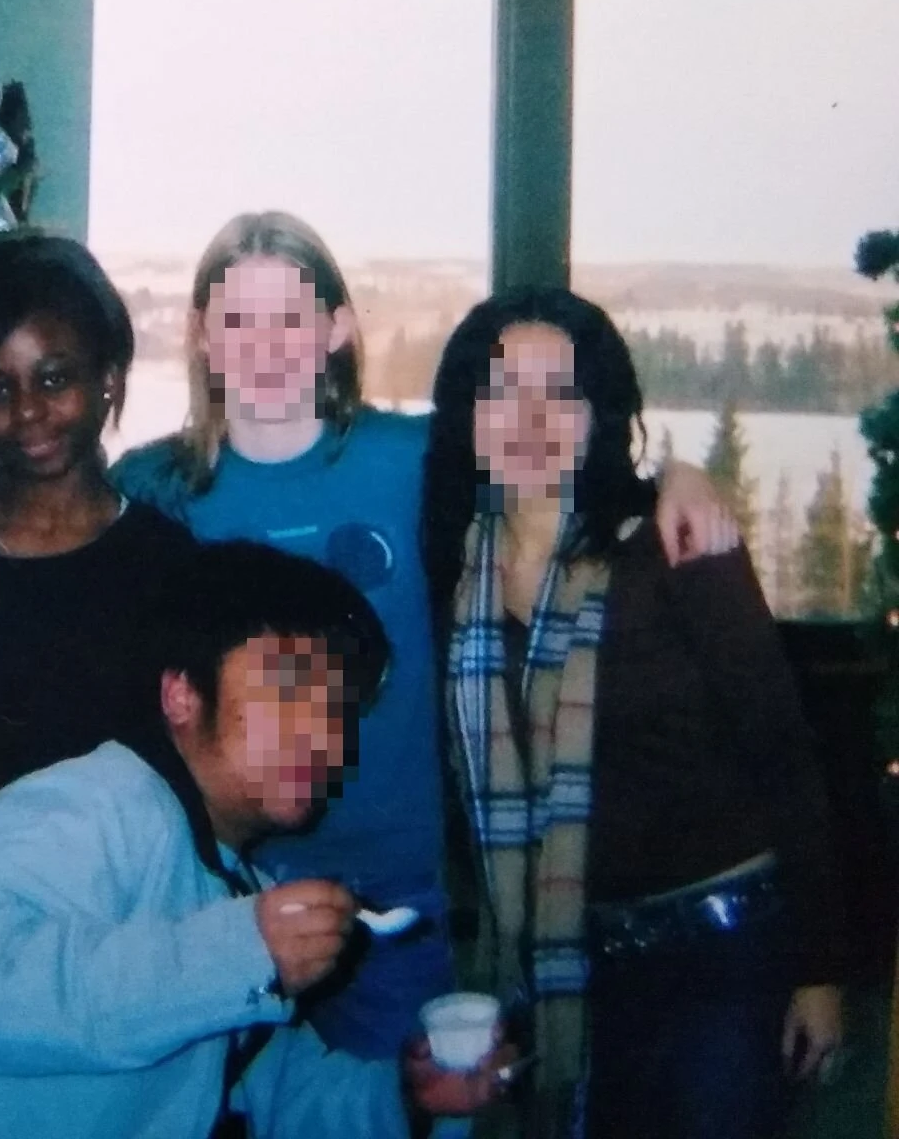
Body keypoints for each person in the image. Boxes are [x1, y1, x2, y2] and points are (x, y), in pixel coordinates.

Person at [113, 210, 737, 1058]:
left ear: (338, 328)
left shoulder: (411, 459)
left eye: (292, 318)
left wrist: (678, 479)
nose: (267, 346)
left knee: (403, 1100)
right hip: (213, 883)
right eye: (238, 321)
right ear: (199, 336)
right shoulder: (153, 487)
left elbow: (553, 459)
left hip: (395, 887)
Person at [0, 540, 515, 1138]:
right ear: (181, 695)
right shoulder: (89, 807)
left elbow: (259, 1086)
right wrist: (243, 952)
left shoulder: (241, 887)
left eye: (339, 709)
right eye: (288, 689)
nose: (324, 734)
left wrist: (405, 1100)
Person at [421, 286, 847, 1139]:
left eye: (562, 393)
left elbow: (783, 750)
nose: (532, 417)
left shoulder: (673, 546)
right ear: (470, 414)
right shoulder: (456, 565)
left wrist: (822, 969)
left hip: (722, 956)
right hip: (577, 963)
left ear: (598, 414)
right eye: (505, 390)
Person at [0, 236, 201, 970]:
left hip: (87, 923)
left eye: (54, 380)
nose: (27, 413)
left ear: (110, 380)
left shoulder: (164, 563)